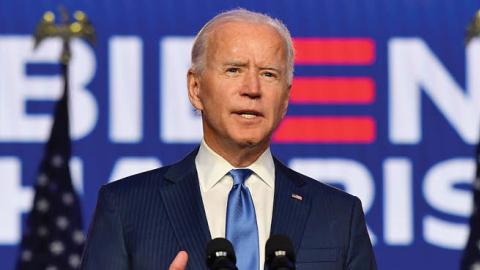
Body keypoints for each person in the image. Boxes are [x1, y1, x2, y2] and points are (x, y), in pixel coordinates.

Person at [80, 8, 377, 270]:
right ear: (196, 89)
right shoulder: (126, 208)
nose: (252, 88)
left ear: (285, 99)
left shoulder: (339, 215)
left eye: (269, 74)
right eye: (234, 70)